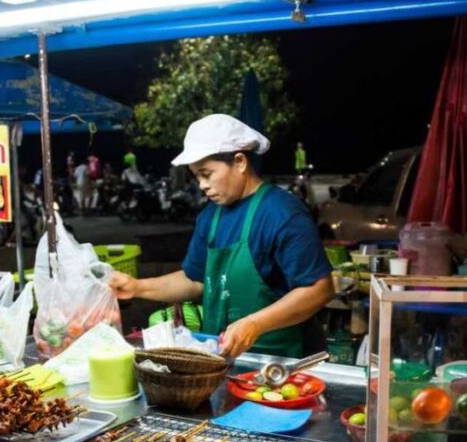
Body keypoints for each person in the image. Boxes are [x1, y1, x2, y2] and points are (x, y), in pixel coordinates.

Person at [109, 115, 334, 358]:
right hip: (220, 357)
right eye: (197, 176)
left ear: (239, 162)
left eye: (207, 174)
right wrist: (136, 287)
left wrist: (255, 324)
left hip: (278, 362)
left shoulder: (282, 213)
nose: (202, 185)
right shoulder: (210, 216)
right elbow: (194, 280)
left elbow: (319, 289)